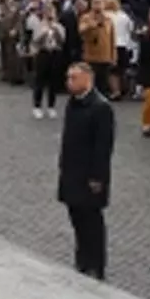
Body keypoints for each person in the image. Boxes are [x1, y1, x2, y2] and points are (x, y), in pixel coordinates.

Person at [58, 62, 116, 280]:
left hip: (90, 175)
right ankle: (82, 259)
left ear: (87, 79)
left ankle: (96, 264)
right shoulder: (73, 103)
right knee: (76, 218)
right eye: (68, 78)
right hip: (72, 170)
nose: (69, 82)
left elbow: (103, 147)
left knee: (92, 221)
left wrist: (97, 177)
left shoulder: (101, 108)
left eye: (73, 78)